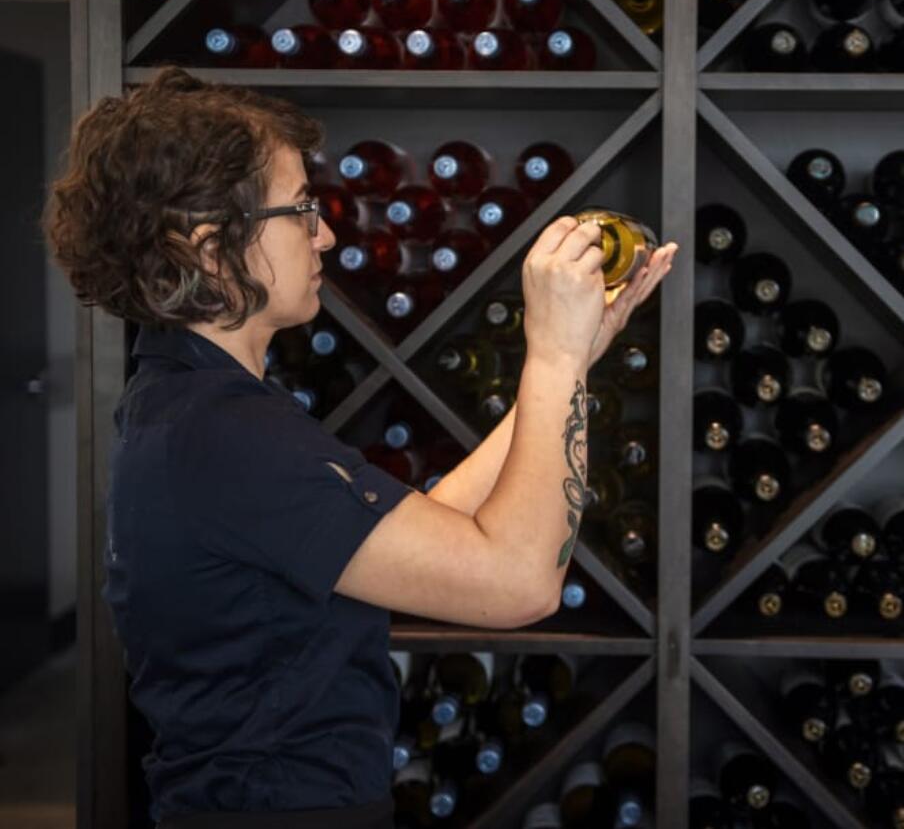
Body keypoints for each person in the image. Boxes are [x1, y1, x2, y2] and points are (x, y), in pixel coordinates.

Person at [44, 66, 677, 828]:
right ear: (212, 249)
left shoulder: (195, 406)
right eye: (302, 210)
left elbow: (424, 531)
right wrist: (553, 361)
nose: (329, 234)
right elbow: (519, 582)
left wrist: (575, 357)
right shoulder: (224, 436)